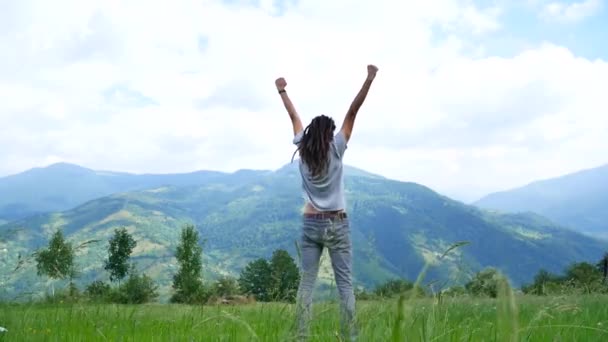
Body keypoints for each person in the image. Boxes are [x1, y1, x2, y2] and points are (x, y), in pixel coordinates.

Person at [275, 64, 378, 341]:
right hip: (337, 223)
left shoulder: (302, 149)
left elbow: (293, 115)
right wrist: (369, 79)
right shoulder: (337, 147)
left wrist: (282, 90)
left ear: (310, 133)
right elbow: (353, 111)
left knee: (305, 285)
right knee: (344, 285)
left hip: (310, 223)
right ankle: (351, 338)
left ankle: (301, 336)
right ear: (330, 133)